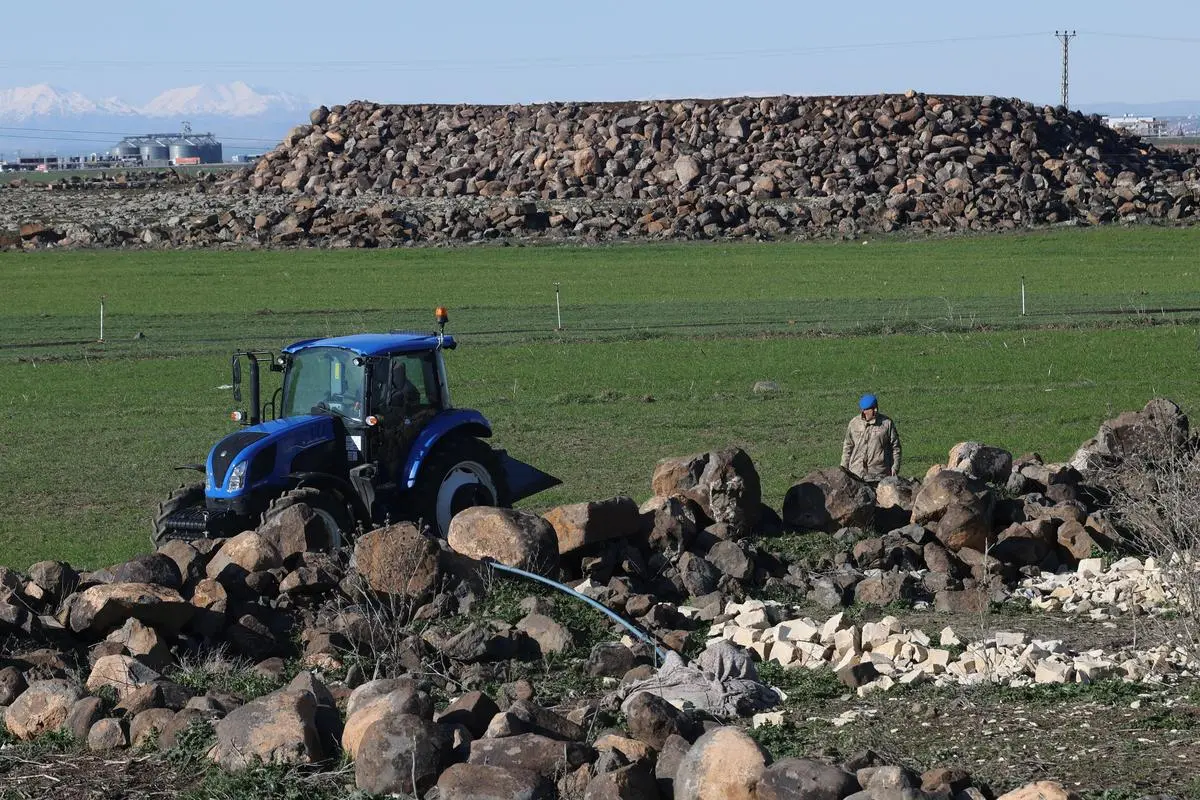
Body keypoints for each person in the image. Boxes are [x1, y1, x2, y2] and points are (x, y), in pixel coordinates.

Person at [841, 393, 901, 481]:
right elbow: (847, 447)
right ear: (864, 410)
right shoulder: (854, 424)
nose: (876, 410)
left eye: (876, 407)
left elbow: (895, 447)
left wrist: (895, 467)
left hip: (879, 474)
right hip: (856, 474)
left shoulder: (887, 424)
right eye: (872, 408)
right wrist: (843, 469)